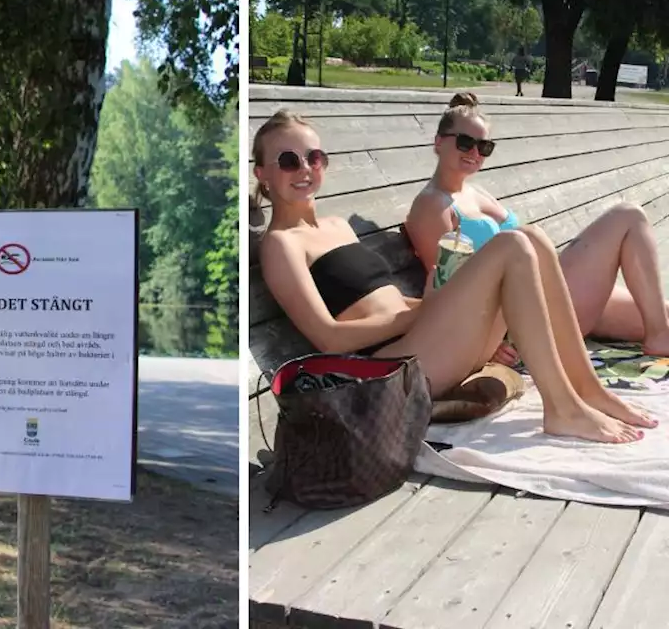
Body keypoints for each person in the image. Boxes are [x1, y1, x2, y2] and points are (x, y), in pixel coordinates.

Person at [253, 109, 656, 444]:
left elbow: (384, 301)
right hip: (392, 369)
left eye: (315, 157)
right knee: (512, 245)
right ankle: (563, 408)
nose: (305, 168)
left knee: (531, 238)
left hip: (428, 338)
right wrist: (425, 310)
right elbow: (328, 337)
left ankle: (588, 390)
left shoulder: (338, 225)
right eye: (289, 160)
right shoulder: (281, 245)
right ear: (263, 174)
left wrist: (435, 298)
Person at [404, 93, 669, 362]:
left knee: (662, 312)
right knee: (627, 217)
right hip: (524, 315)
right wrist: (485, 344)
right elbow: (447, 289)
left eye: (483, 146)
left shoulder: (477, 193)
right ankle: (659, 337)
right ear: (438, 142)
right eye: (465, 142)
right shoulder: (432, 206)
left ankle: (660, 332)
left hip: (548, 290)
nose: (474, 153)